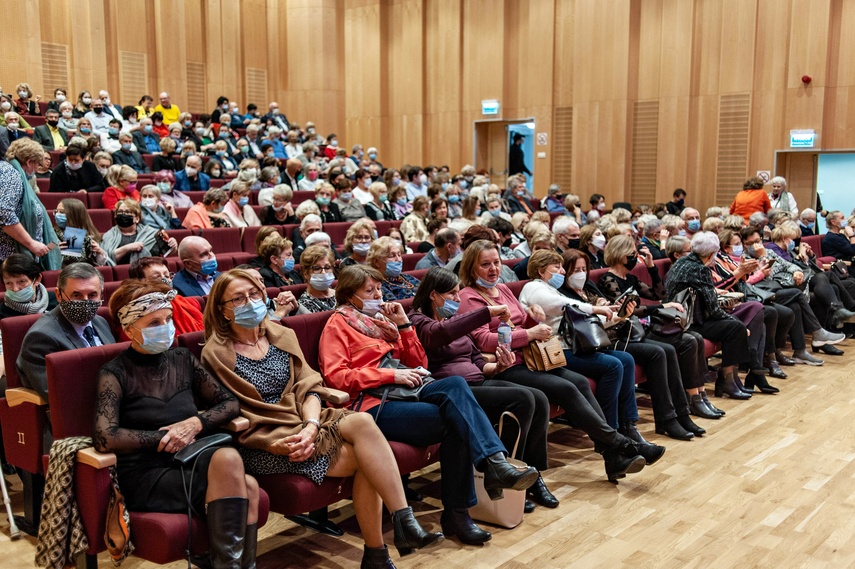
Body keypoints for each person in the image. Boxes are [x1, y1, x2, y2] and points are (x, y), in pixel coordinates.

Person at [202, 269, 441, 567]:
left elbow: (310, 387)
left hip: (307, 422)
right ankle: (381, 551)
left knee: (363, 424)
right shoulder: (216, 353)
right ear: (222, 310)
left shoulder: (281, 334)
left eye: (253, 294)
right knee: (370, 460)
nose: (249, 302)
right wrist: (295, 434)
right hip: (267, 440)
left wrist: (312, 426)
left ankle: (401, 526)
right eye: (238, 299)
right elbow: (239, 410)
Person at [319, 265, 539, 545]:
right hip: (370, 405)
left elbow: (418, 364)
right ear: (350, 295)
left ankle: (492, 465)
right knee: (455, 421)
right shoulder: (336, 325)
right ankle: (463, 507)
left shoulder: (383, 323)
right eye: (369, 291)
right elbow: (337, 378)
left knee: (456, 386)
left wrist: (403, 327)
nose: (378, 295)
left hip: (405, 390)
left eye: (379, 289)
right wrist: (390, 374)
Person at [456, 240, 662, 480]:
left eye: (496, 262)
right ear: (471, 268)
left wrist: (534, 318)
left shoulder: (502, 289)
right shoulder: (469, 297)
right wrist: (529, 333)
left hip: (534, 357)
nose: (493, 269)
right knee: (565, 387)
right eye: (485, 264)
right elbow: (483, 341)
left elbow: (524, 321)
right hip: (506, 364)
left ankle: (614, 455)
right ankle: (619, 444)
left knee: (580, 382)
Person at [95, 281, 259, 568]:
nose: (166, 327)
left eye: (168, 319)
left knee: (247, 482)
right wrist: (161, 437)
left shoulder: (182, 358)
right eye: (154, 322)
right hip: (148, 472)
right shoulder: (114, 372)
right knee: (237, 470)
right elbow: (105, 437)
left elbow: (229, 403)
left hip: (190, 458)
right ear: (129, 327)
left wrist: (194, 424)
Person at [409, 267, 558, 515]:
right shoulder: (418, 321)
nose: (458, 299)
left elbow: (477, 361)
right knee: (522, 398)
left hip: (479, 381)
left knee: (538, 398)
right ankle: (504, 473)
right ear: (433, 295)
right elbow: (439, 334)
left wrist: (497, 365)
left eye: (459, 293)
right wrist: (484, 313)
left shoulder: (455, 321)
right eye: (452, 294)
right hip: (453, 392)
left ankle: (528, 474)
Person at [519, 249, 701, 440]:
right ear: (541, 271)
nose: (562, 272)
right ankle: (611, 430)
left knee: (626, 359)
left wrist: (618, 316)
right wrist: (596, 307)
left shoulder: (558, 288)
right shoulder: (535, 288)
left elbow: (586, 322)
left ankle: (629, 425)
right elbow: (564, 307)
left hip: (577, 344)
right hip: (556, 351)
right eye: (558, 267)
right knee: (613, 365)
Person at [662, 232, 758, 400]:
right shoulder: (700, 269)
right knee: (735, 327)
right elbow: (713, 309)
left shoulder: (683, 262)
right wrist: (736, 322)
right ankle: (727, 380)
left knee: (734, 326)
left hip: (680, 316)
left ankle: (732, 378)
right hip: (688, 321)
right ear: (711, 253)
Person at [740, 227, 843, 365]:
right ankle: (818, 332)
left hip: (776, 289)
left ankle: (800, 351)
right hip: (759, 293)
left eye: (758, 241)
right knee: (797, 294)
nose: (756, 245)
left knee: (795, 306)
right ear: (744, 245)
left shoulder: (769, 252)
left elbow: (788, 265)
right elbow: (768, 275)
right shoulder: (744, 259)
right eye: (751, 243)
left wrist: (796, 272)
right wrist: (763, 256)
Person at [18, 262, 116, 403]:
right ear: (59, 295)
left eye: (93, 295)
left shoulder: (101, 322)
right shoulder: (40, 337)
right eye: (76, 295)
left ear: (101, 294)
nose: (86, 302)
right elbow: (59, 395)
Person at [714, 229, 796, 383]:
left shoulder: (733, 258)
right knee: (768, 311)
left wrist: (749, 271)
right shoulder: (717, 260)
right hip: (732, 301)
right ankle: (761, 363)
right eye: (738, 244)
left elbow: (742, 280)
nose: (742, 247)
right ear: (725, 247)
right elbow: (727, 283)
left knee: (783, 310)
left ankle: (766, 361)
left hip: (747, 295)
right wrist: (750, 273)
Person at [765, 221, 855, 331]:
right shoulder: (772, 249)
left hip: (804, 279)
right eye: (793, 239)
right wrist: (800, 256)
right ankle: (846, 308)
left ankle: (828, 326)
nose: (795, 242)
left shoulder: (788, 250)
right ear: (784, 238)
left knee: (833, 285)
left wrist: (810, 256)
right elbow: (786, 270)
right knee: (824, 276)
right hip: (790, 282)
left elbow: (805, 266)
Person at [1, 139, 62, 268]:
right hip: (10, 260)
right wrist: (31, 243)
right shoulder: (10, 173)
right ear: (29, 162)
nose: (36, 170)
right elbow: (4, 213)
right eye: (37, 165)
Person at [0, 255, 59, 378]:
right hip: (18, 367)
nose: (15, 289)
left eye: (21, 281)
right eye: (8, 283)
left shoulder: (56, 302)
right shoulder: (2, 312)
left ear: (37, 279)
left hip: (54, 360)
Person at [128, 257, 204, 334]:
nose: (165, 280)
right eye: (156, 277)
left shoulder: (190, 303)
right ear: (139, 282)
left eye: (167, 276)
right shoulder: (133, 313)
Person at [53, 198, 111, 265]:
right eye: (56, 211)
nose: (57, 215)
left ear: (74, 215)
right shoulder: (52, 233)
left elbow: (103, 265)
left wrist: (99, 252)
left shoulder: (90, 235)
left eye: (62, 212)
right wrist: (54, 251)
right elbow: (45, 251)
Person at [368, 237, 420, 301]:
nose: (398, 260)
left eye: (399, 255)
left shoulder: (407, 277)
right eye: (392, 256)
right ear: (376, 262)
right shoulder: (377, 285)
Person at [297, 245, 338, 313]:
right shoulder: (304, 305)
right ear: (305, 273)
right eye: (317, 268)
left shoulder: (341, 296)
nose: (323, 272)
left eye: (327, 267)